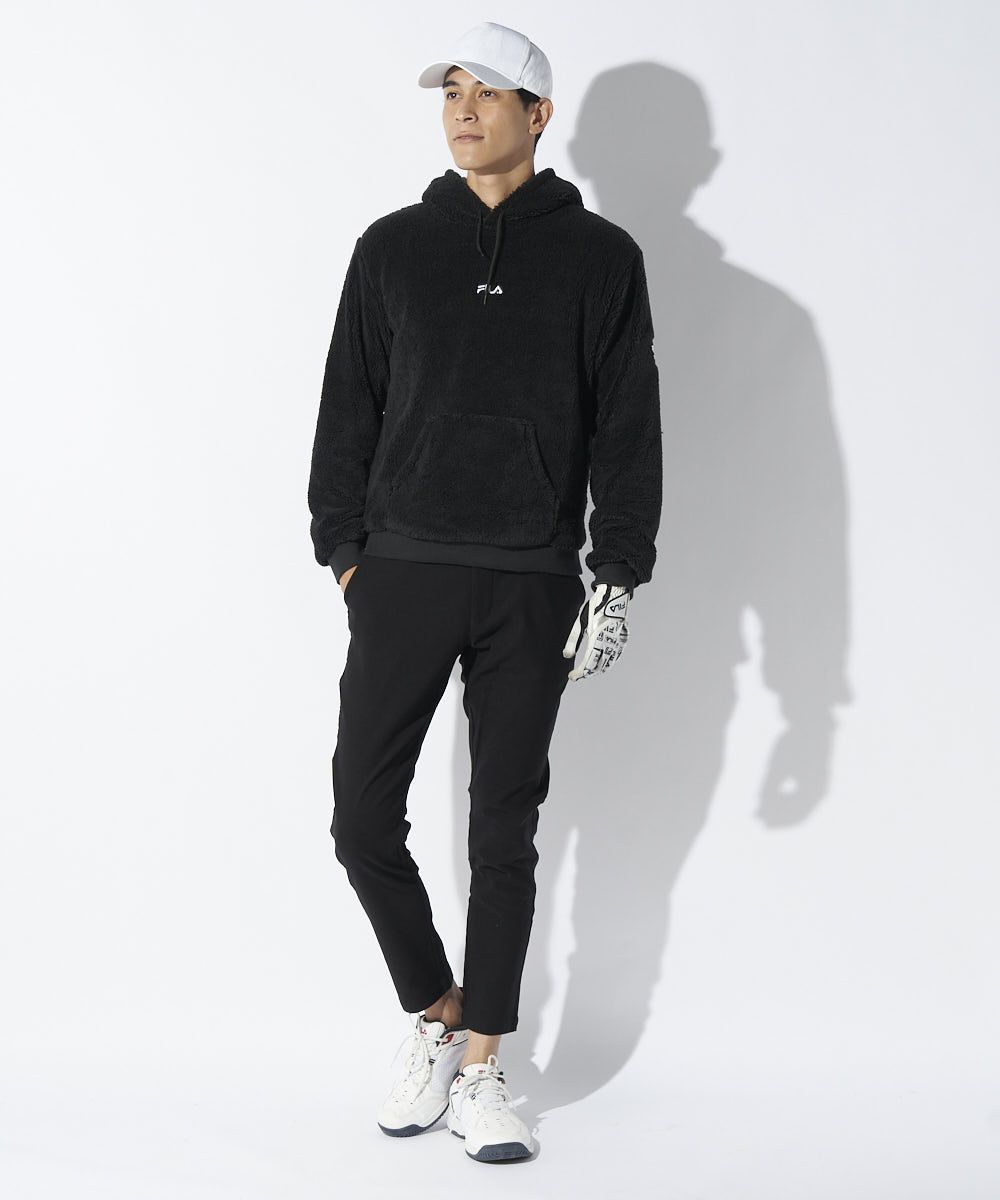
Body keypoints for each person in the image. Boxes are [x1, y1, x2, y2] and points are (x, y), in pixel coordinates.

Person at [307, 21, 662, 1163]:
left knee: (504, 831)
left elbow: (628, 425)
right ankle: (436, 1009)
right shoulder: (392, 246)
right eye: (450, 92)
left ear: (538, 114)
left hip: (529, 580)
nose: (462, 110)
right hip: (402, 570)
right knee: (362, 820)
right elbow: (347, 406)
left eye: (487, 93)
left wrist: (617, 575)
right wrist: (347, 553)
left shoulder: (601, 258)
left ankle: (482, 1069)